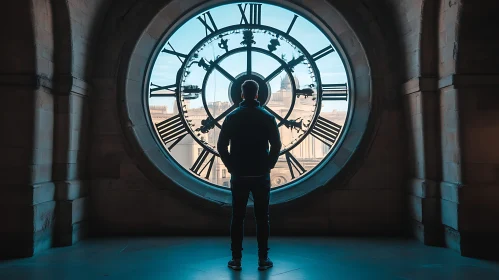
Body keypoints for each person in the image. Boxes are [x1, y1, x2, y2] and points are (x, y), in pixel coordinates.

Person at [217, 80, 282, 271]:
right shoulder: (268, 117)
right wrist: (268, 166)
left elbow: (221, 146)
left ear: (241, 94)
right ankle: (263, 258)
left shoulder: (231, 117)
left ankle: (236, 259)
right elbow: (276, 146)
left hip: (240, 174)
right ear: (258, 94)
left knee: (237, 217)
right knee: (263, 218)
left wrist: (231, 167)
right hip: (260, 174)